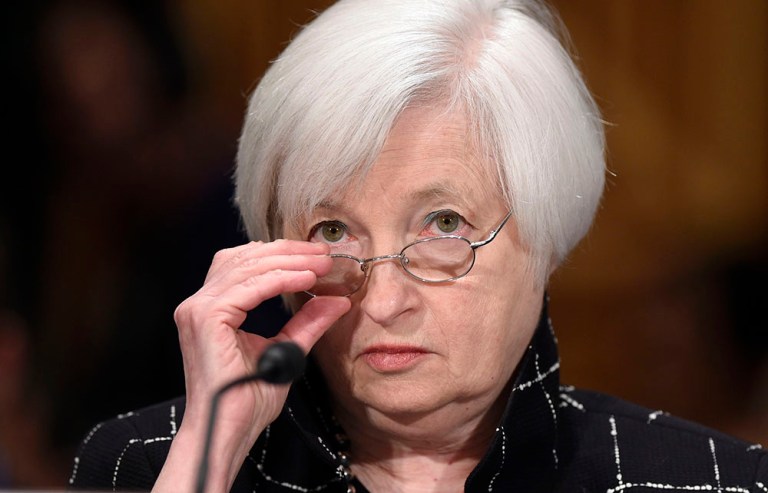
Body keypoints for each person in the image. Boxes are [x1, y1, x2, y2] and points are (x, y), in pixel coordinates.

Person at [68, 0, 768, 491]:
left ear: (547, 234)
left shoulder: (708, 479)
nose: (386, 301)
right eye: (333, 232)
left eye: (442, 225)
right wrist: (211, 450)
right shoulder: (144, 463)